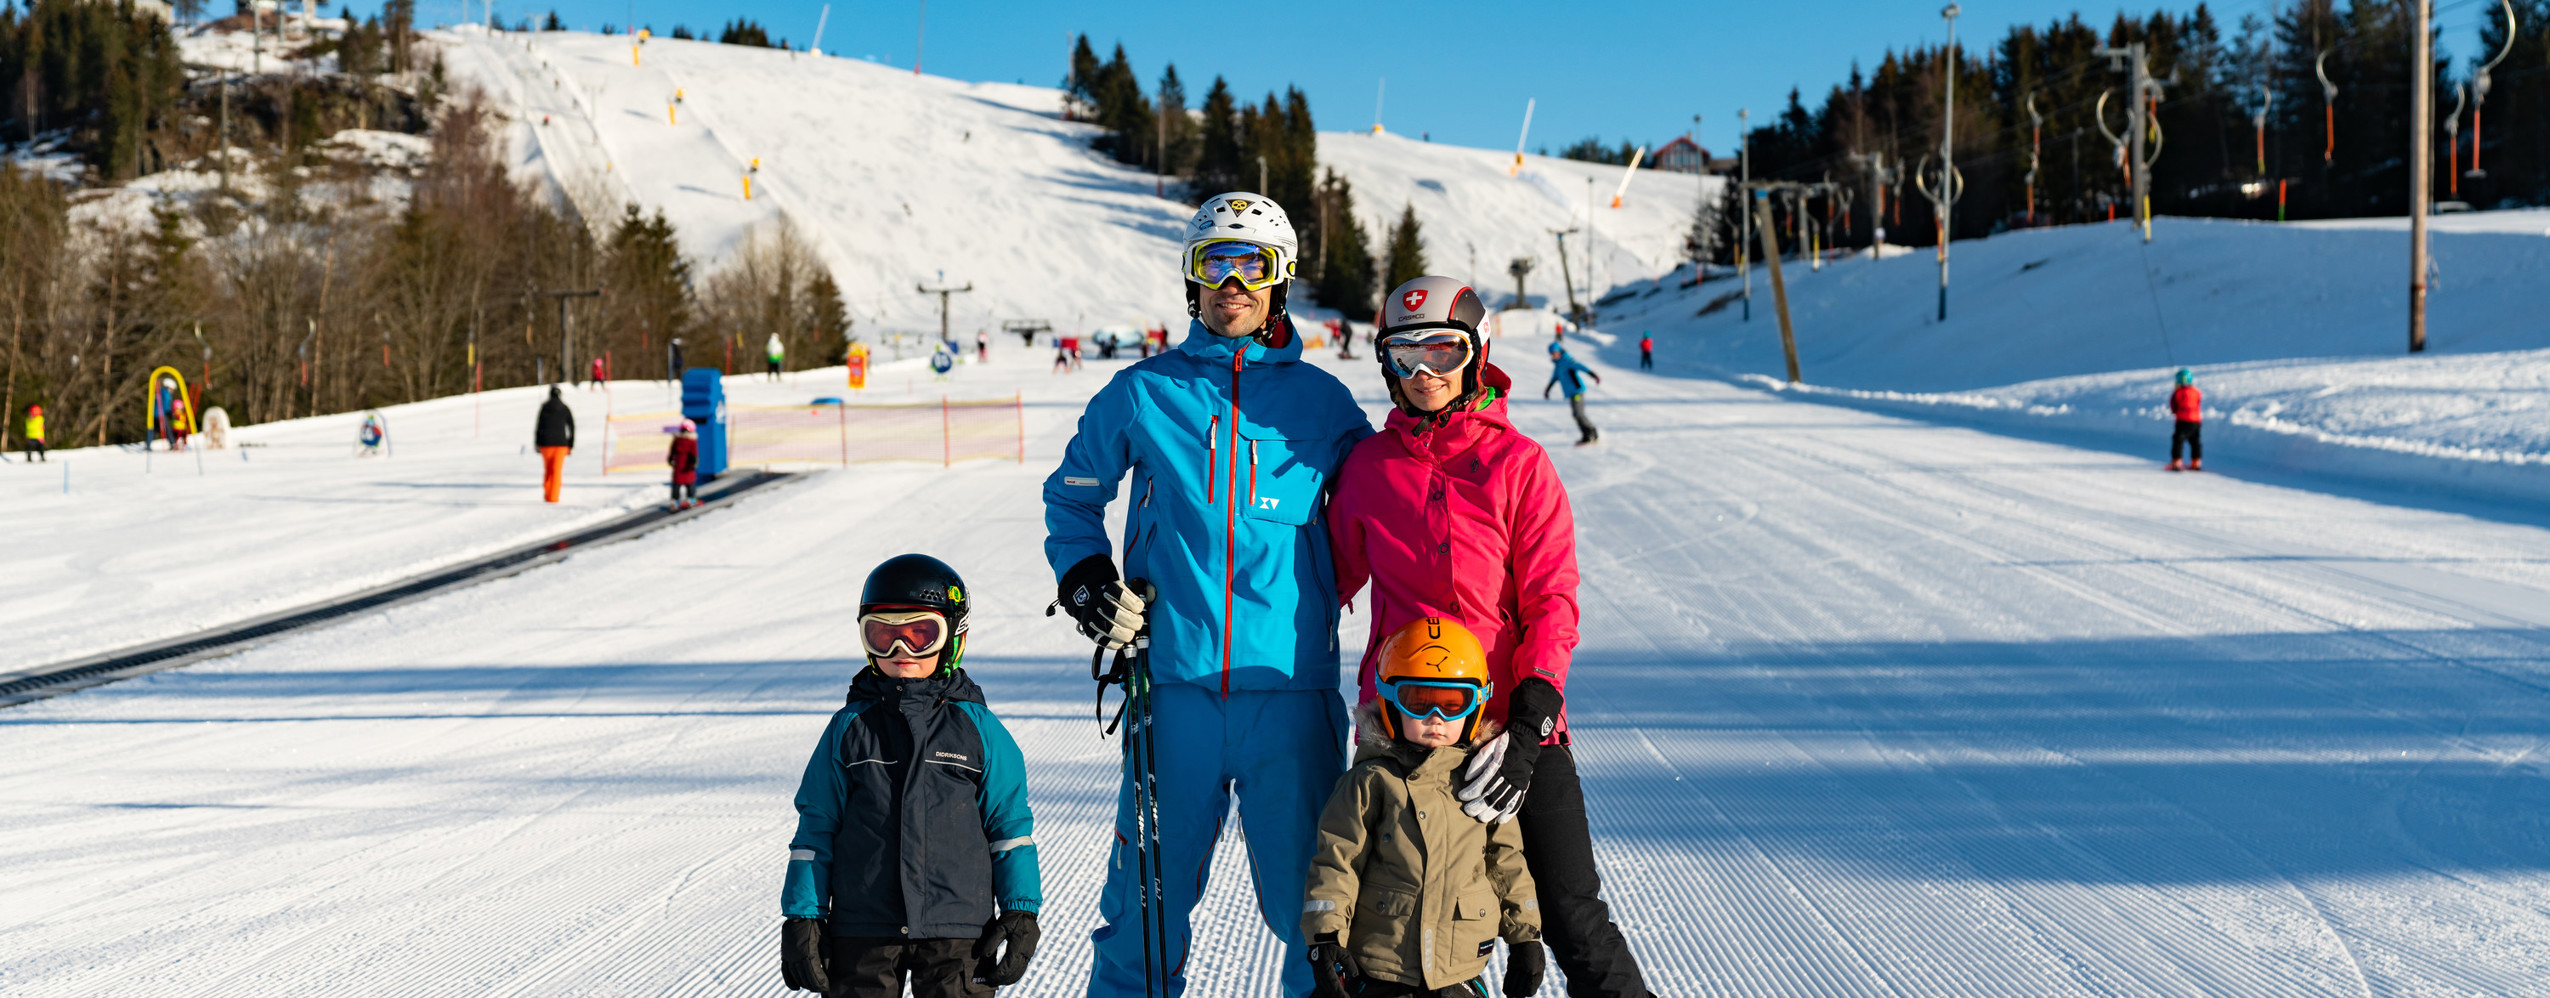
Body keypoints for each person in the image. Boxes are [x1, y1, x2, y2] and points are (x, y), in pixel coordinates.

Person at [1045, 191, 1372, 998]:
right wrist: (1085, 577)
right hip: (1173, 693)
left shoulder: (1323, 405)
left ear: (1280, 279)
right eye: (1213, 263)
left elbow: (1387, 503)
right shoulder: (1143, 391)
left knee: (1317, 912)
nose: (1232, 281)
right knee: (1144, 909)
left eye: (1251, 264)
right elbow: (1074, 495)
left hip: (1288, 699)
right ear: (1191, 281)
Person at [1331, 275, 1658, 998]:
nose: (1424, 374)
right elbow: (1326, 582)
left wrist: (1530, 727)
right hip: (1404, 727)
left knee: (1571, 915)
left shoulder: (1519, 466)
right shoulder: (1368, 468)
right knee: (1395, 933)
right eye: (1404, 355)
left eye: (1442, 352)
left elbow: (1553, 601)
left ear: (1476, 353)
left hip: (1514, 725)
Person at [780, 554, 1043, 998]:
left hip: (958, 932)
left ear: (953, 635)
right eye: (883, 635)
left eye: (919, 634)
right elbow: (816, 828)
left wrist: (1021, 909)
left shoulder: (978, 729)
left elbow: (1010, 827)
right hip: (863, 931)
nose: (899, 651)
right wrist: (803, 915)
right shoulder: (850, 728)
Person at [1304, 617, 1544, 998]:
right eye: (1419, 701)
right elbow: (1338, 860)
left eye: (1453, 703)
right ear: (1390, 701)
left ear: (1477, 704)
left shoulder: (1482, 783)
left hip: (1458, 970)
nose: (1437, 718)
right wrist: (1326, 934)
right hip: (1381, 970)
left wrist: (1525, 937)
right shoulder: (1371, 782)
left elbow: (1506, 861)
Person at [1545, 344, 1602, 446]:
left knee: (1579, 414)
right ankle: (1588, 434)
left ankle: (1590, 433)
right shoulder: (1558, 365)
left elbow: (1581, 367)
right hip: (1571, 393)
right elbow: (1554, 378)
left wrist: (1594, 375)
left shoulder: (1568, 361)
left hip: (1577, 391)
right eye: (1552, 354)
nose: (1553, 356)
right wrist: (1547, 390)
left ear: (1560, 351)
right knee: (1576, 414)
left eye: (1555, 353)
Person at [534, 385, 575, 503]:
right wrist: (570, 444)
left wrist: (537, 442)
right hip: (560, 444)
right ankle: (553, 497)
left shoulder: (544, 407)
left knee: (548, 470)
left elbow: (539, 426)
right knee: (556, 471)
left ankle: (547, 494)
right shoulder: (564, 408)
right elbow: (571, 427)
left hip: (545, 444)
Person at [2167, 368, 2203, 471]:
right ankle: (2196, 462)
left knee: (2178, 440)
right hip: (2196, 421)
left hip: (2182, 421)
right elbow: (2198, 403)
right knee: (2195, 442)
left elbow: (2174, 408)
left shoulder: (2177, 393)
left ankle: (2176, 462)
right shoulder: (2196, 392)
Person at [667, 419, 699, 508]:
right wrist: (694, 463)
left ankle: (675, 501)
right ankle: (691, 499)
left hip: (678, 466)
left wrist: (670, 459)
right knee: (690, 483)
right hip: (687, 466)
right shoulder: (692, 441)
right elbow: (694, 454)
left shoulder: (677, 440)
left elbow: (672, 451)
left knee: (676, 484)